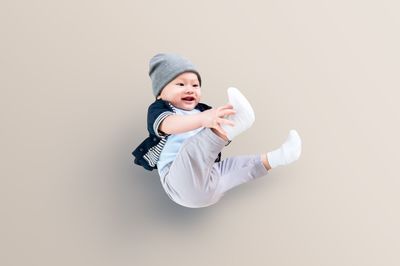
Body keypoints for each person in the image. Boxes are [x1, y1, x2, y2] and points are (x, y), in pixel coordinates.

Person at [132, 53, 302, 208]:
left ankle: (278, 157)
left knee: (235, 168)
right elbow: (168, 125)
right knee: (194, 150)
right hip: (178, 182)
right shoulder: (161, 109)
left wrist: (210, 120)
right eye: (180, 84)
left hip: (209, 187)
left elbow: (212, 146)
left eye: (195, 84)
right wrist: (202, 120)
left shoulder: (203, 111)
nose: (190, 89)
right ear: (160, 93)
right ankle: (237, 122)